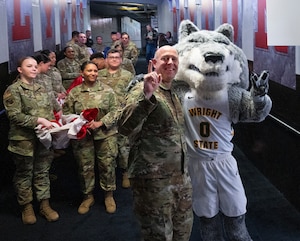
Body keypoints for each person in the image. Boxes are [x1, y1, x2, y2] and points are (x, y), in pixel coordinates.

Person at [118, 45, 193, 241]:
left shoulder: (172, 93)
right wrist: (146, 97)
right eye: (165, 58)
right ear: (153, 64)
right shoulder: (143, 90)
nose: (170, 62)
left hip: (179, 178)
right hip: (153, 182)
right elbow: (124, 127)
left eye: (174, 59)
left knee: (182, 233)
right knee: (158, 236)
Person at [3, 56, 61, 224]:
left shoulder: (41, 88)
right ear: (20, 70)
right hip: (23, 140)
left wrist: (53, 124)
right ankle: (26, 207)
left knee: (43, 171)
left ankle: (44, 204)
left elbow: (50, 110)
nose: (34, 69)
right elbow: (14, 115)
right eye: (29, 66)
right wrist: (38, 121)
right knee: (24, 173)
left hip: (43, 139)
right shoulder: (14, 90)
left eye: (36, 66)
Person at [63, 61, 119, 214]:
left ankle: (108, 195)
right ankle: (88, 196)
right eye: (89, 70)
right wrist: (78, 125)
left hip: (105, 134)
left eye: (95, 70)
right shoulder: (74, 93)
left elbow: (116, 111)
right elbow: (66, 114)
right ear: (82, 73)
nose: (93, 73)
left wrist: (101, 122)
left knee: (107, 165)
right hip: (83, 136)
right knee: (84, 167)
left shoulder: (107, 91)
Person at [98, 49, 134, 189]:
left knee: (123, 144)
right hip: (104, 115)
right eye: (111, 57)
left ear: (121, 60)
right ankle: (109, 173)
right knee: (107, 147)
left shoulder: (127, 75)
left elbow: (133, 93)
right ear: (106, 59)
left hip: (122, 114)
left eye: (117, 57)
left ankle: (125, 171)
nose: (114, 59)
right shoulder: (99, 75)